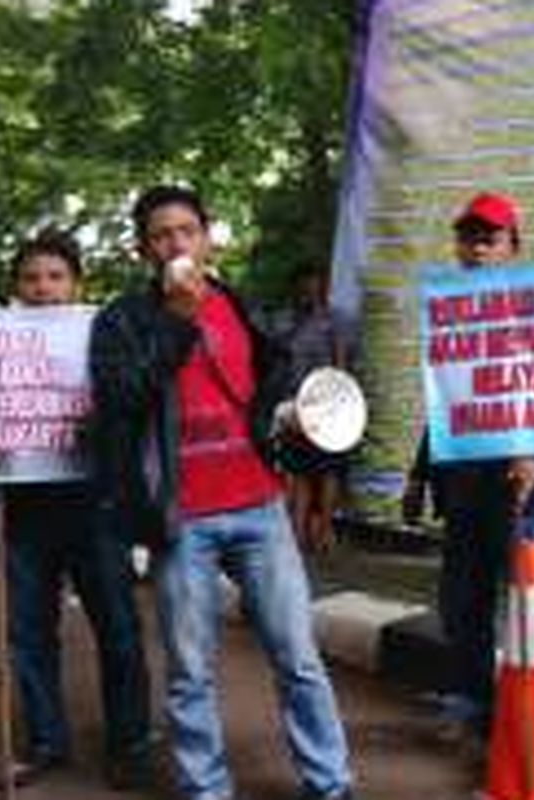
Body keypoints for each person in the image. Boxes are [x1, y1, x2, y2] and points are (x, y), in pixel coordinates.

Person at [89, 185, 356, 800]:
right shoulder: (124, 319)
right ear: (142, 250)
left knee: (299, 660)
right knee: (189, 672)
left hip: (260, 507)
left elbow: (264, 383)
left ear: (207, 238)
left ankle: (330, 784)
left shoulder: (239, 306)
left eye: (186, 230)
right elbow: (122, 401)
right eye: (161, 235)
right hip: (183, 519)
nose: (176, 243)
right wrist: (177, 323)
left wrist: (283, 418)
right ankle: (206, 790)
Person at [400, 192, 534, 742]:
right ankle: (472, 704)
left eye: (488, 238)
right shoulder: (452, 317)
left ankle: (528, 725)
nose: (475, 248)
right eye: (467, 237)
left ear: (513, 247)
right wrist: (419, 474)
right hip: (463, 484)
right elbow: (446, 404)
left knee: (525, 602)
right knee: (461, 602)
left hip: (522, 482)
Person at [0, 230, 152, 789]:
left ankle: (129, 745)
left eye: (54, 276)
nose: (43, 288)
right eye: (31, 278)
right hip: (24, 512)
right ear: (16, 288)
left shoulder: (102, 336)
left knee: (117, 629)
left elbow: (137, 404)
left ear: (76, 284)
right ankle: (46, 742)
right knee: (29, 635)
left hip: (96, 506)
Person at [281, 270, 346, 552]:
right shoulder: (292, 323)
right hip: (297, 406)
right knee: (300, 471)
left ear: (323, 289)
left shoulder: (334, 322)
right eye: (304, 287)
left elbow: (340, 366)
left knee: (328, 470)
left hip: (326, 407)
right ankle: (296, 534)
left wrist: (337, 405)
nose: (308, 292)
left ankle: (325, 530)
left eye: (314, 287)